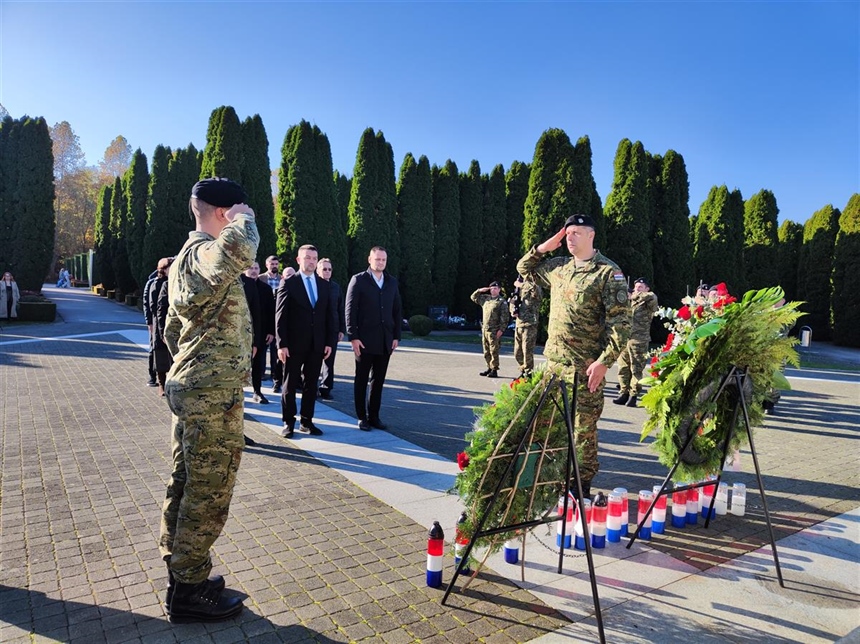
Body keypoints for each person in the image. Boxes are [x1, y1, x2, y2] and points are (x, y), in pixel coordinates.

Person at [159, 177, 258, 623]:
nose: (244, 217)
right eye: (237, 210)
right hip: (210, 391)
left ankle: (184, 573)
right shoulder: (203, 252)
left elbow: (172, 331)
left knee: (187, 481)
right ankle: (190, 591)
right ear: (223, 214)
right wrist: (246, 221)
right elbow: (236, 250)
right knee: (208, 490)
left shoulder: (187, 257)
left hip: (200, 386)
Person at [517, 214, 630, 498]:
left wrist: (604, 362)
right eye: (567, 233)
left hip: (584, 369)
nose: (570, 237)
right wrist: (545, 247)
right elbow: (524, 268)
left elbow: (621, 325)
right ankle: (550, 481)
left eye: (577, 232)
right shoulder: (558, 268)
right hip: (554, 367)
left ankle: (581, 489)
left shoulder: (607, 272)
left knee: (582, 433)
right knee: (548, 428)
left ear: (591, 235)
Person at [275, 245, 337, 438]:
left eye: (314, 258)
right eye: (307, 257)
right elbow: (280, 315)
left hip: (317, 344)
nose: (311, 261)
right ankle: (288, 422)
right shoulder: (289, 283)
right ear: (298, 260)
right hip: (293, 345)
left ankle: (307, 421)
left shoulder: (324, 285)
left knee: (312, 384)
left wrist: (328, 341)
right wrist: (281, 344)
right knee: (290, 383)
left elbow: (329, 316)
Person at [345, 246, 402, 432]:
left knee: (378, 381)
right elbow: (350, 310)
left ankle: (374, 416)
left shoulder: (391, 282)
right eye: (377, 259)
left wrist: (396, 336)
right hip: (364, 341)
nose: (380, 263)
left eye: (383, 260)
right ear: (369, 260)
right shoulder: (359, 280)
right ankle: (362, 417)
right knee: (361, 380)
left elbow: (396, 310)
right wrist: (353, 337)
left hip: (385, 341)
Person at [614, 277, 659, 407]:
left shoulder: (648, 300)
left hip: (639, 340)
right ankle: (624, 392)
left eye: (640, 287)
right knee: (623, 367)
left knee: (636, 369)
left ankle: (633, 395)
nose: (637, 289)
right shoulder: (630, 301)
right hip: (625, 339)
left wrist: (633, 296)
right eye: (636, 287)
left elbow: (652, 297)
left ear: (647, 288)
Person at [241, 262, 274, 405]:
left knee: (258, 364)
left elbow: (271, 312)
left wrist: (271, 331)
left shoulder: (266, 289)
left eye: (256, 268)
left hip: (260, 332)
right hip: (241, 333)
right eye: (250, 268)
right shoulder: (240, 286)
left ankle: (257, 391)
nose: (254, 271)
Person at [316, 258, 345, 400]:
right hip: (317, 329)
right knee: (314, 359)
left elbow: (341, 309)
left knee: (329, 360)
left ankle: (326, 388)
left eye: (329, 269)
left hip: (333, 329)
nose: (327, 272)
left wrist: (341, 329)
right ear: (318, 270)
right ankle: (310, 386)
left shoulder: (336, 287)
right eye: (324, 269)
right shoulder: (314, 285)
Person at [471, 281, 510, 378]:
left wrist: (501, 330)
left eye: (496, 288)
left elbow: (505, 317)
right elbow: (473, 297)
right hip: (485, 329)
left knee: (494, 350)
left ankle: (494, 369)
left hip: (494, 330)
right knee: (486, 350)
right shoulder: (486, 299)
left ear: (499, 290)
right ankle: (489, 367)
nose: (493, 290)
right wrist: (480, 290)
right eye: (492, 288)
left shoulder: (501, 301)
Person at [148, 257, 174, 397]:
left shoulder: (175, 282)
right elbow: (155, 306)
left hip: (173, 324)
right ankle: (161, 384)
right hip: (161, 322)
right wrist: (158, 328)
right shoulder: (157, 284)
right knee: (160, 355)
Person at [509, 274, 543, 379]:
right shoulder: (519, 288)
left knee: (527, 351)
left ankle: (528, 374)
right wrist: (512, 311)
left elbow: (537, 292)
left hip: (530, 324)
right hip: (519, 323)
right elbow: (513, 300)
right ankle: (524, 370)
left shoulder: (534, 286)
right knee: (517, 352)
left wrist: (521, 285)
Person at [260, 256, 283, 390]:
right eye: (271, 263)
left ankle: (275, 374)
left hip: (277, 318)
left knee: (276, 350)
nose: (274, 265)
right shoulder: (261, 278)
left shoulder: (282, 279)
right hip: (265, 317)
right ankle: (261, 373)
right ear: (266, 264)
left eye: (276, 263)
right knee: (262, 349)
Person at [142, 266, 161, 387]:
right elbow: (147, 304)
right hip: (154, 321)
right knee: (153, 348)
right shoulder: (152, 282)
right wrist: (149, 322)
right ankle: (152, 376)